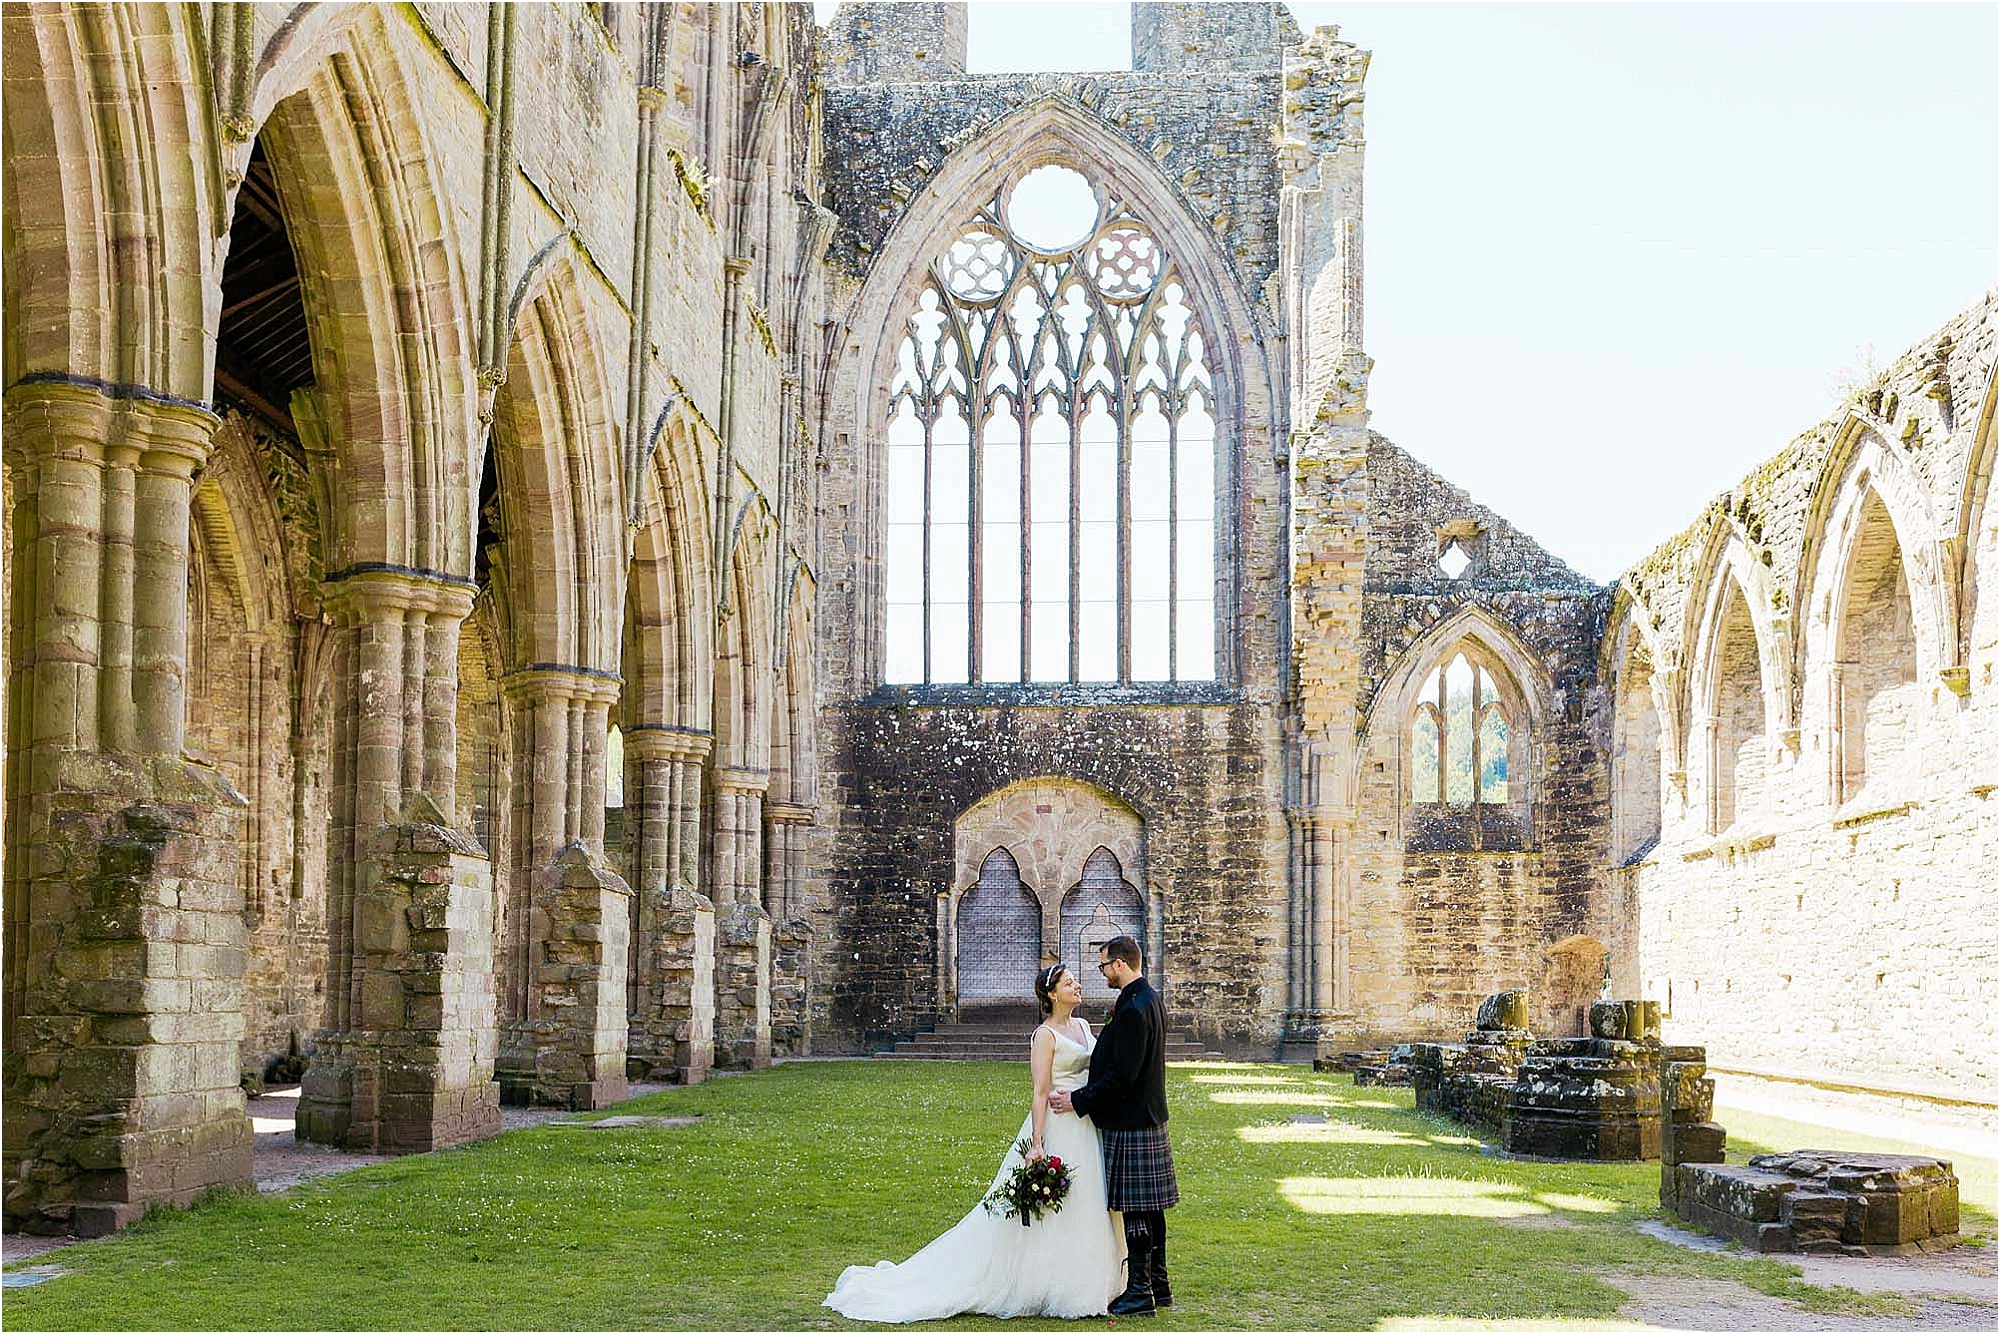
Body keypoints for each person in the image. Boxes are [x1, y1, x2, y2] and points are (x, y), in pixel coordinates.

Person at [823, 963, 1125, 1322]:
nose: (1077, 987)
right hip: (1058, 1125)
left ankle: (1091, 1280)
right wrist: (1037, 1143)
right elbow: (1040, 1091)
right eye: (1069, 983)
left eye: (1075, 982)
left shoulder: (1082, 1026)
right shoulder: (1044, 1036)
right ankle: (1048, 1283)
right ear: (1051, 994)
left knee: (1087, 1202)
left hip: (1084, 1122)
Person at [1047, 935, 1178, 1316]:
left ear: (1120, 964)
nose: (1101, 972)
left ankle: (1140, 1293)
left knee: (1136, 1207)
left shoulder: (1135, 1008)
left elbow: (1122, 1076)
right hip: (1147, 1115)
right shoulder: (1148, 998)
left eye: (1104, 966)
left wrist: (1077, 1099)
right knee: (1152, 1208)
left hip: (1131, 1118)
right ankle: (1159, 1283)